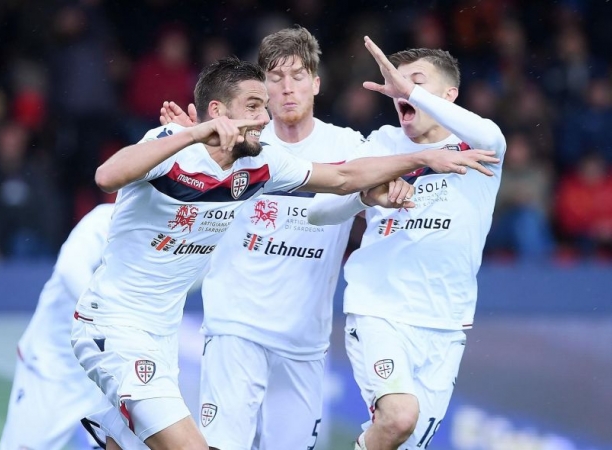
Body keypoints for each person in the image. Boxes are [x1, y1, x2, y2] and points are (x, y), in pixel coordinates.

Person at [70, 56, 499, 450]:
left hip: (162, 330)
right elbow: (107, 176)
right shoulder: (173, 144)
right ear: (218, 112)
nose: (265, 117)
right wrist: (193, 133)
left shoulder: (261, 164)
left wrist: (421, 158)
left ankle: (114, 430)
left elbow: (344, 178)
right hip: (114, 323)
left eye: (264, 107)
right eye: (254, 107)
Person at [159, 26, 408, 450]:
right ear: (263, 88)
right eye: (275, 78)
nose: (287, 88)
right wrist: (191, 146)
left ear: (316, 83)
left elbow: (383, 189)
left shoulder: (349, 147)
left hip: (304, 343)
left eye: (297, 76)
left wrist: (394, 185)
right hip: (236, 328)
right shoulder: (237, 143)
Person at [307, 37, 507, 450]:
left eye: (416, 81)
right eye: (397, 82)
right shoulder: (381, 144)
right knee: (399, 416)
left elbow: (489, 131)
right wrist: (367, 197)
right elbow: (318, 212)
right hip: (380, 310)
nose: (400, 89)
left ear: (449, 95)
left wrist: (410, 92)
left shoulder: (481, 144)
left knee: (404, 440)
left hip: (446, 321)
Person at [0, 203, 148, 450]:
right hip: (53, 367)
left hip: (110, 373)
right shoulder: (106, 219)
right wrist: (111, 317)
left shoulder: (172, 232)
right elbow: (69, 268)